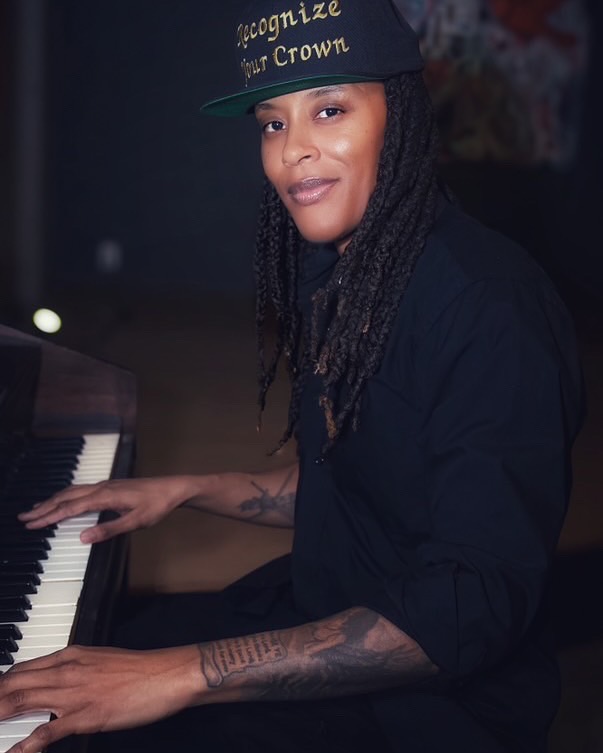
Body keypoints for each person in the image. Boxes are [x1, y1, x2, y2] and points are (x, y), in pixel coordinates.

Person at [0, 1, 585, 751]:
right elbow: (368, 482)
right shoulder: (340, 270)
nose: (293, 151)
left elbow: (470, 603)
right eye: (273, 123)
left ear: (400, 116)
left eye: (329, 110)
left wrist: (182, 674)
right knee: (73, 657)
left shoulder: (490, 308)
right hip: (317, 604)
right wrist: (188, 488)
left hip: (427, 704)